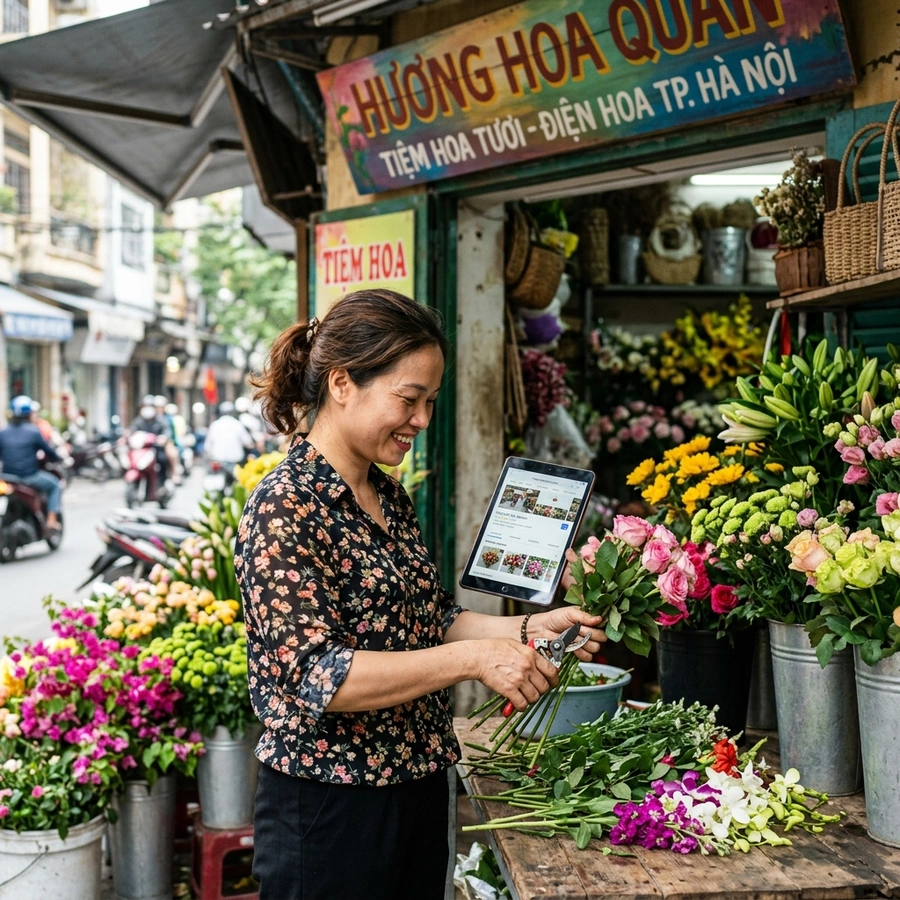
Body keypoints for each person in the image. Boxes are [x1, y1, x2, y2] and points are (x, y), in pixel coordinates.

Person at [235, 289, 605, 900]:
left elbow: (432, 619)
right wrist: (475, 661)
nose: (422, 421)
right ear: (342, 384)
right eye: (409, 400)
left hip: (420, 783)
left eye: (430, 402)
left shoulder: (387, 495)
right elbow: (318, 677)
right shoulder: (285, 506)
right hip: (332, 808)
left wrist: (527, 630)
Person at [0, 396, 64, 531]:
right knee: (54, 485)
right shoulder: (34, 431)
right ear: (29, 413)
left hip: (6, 477)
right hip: (28, 477)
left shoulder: (3, 432)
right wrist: (59, 458)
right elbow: (48, 451)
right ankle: (51, 521)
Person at [204, 401, 254, 473]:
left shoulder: (214, 425)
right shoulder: (237, 424)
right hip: (236, 460)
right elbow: (249, 443)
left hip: (218, 459)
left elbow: (207, 446)